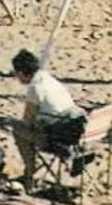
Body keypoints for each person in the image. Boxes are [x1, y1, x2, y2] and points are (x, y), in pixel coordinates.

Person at [9, 49, 84, 191]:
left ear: (20, 73)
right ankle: (31, 171)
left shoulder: (35, 88)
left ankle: (30, 173)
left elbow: (27, 121)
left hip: (59, 139)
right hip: (77, 132)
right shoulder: (48, 79)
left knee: (18, 130)